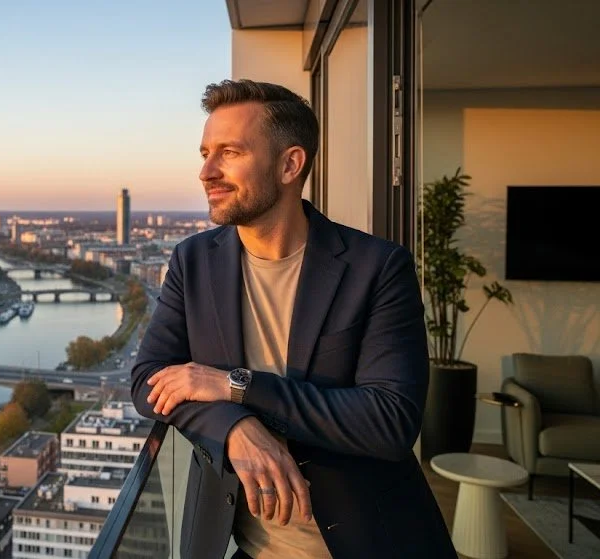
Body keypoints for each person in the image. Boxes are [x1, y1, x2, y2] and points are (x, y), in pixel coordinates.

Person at [131, 80, 456, 559]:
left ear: (290, 164)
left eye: (229, 152)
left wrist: (237, 386)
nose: (206, 171)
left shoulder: (377, 267)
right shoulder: (192, 261)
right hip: (242, 547)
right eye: (204, 153)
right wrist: (235, 426)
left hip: (369, 543)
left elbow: (390, 421)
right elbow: (148, 381)